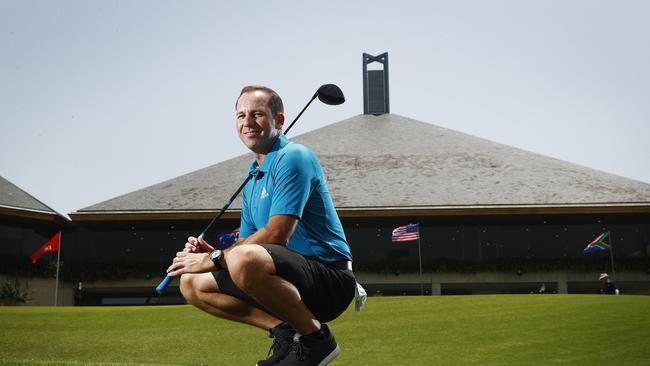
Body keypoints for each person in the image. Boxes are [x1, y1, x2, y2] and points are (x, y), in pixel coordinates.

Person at [166, 85, 356, 366]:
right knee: (192, 282)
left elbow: (277, 235)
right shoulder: (253, 176)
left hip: (329, 279)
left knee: (239, 258)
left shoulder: (295, 156)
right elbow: (247, 242)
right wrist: (214, 252)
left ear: (279, 121)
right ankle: (284, 331)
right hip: (286, 277)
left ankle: (316, 341)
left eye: (257, 114)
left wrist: (215, 259)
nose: (247, 122)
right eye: (241, 115)